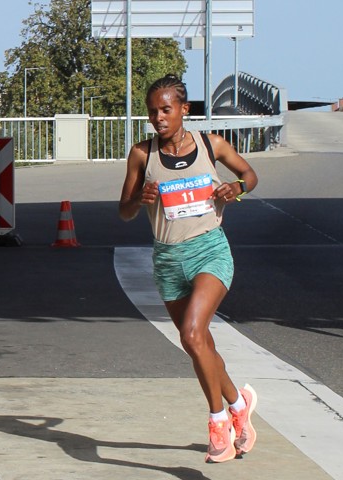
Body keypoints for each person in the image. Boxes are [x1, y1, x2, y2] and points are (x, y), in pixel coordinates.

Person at [118, 74, 259, 463]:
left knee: (192, 334)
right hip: (167, 259)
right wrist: (139, 199)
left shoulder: (210, 145)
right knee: (201, 345)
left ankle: (218, 424)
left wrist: (237, 189)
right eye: (152, 111)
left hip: (209, 251)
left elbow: (250, 176)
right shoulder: (142, 155)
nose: (158, 118)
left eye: (166, 109)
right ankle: (237, 404)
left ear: (185, 110)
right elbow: (124, 211)